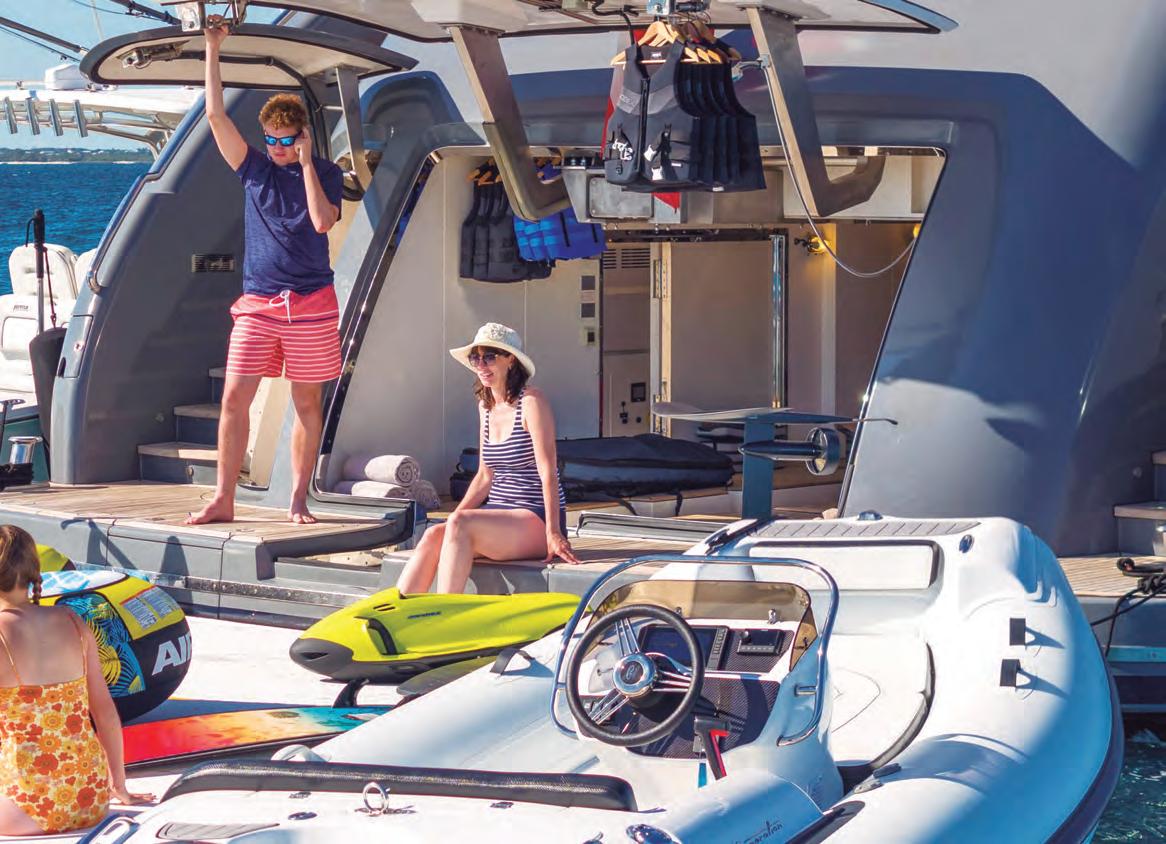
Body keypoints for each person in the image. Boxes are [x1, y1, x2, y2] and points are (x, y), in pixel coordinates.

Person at [187, 16, 345, 526]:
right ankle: (223, 498)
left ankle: (298, 499)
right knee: (235, 398)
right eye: (271, 140)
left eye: (286, 140)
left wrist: (306, 165)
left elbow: (321, 222)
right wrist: (213, 47)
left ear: (302, 137)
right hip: (258, 303)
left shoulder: (325, 173)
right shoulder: (253, 169)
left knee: (307, 403)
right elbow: (215, 116)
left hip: (312, 305)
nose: (276, 148)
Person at [397, 323, 583, 594]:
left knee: (460, 524)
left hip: (535, 517)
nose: (481, 365)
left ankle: (446, 609)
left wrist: (554, 532)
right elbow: (485, 476)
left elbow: (548, 473)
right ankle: (401, 605)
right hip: (499, 514)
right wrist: (454, 516)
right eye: (476, 358)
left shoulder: (531, 402)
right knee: (435, 533)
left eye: (489, 357)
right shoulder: (485, 407)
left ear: (511, 360)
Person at [0, 525, 150, 836]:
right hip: (88, 800)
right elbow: (105, 714)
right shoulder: (73, 621)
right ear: (35, 571)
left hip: (22, 803)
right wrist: (118, 785)